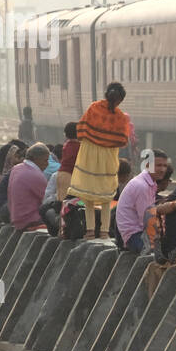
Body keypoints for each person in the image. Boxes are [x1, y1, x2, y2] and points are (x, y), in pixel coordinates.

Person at [68, 83, 130, 239]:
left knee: (88, 194)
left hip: (89, 154)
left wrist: (94, 139)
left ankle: (89, 231)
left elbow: (80, 130)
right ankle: (104, 231)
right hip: (108, 157)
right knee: (107, 195)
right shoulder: (121, 117)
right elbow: (123, 140)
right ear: (120, 100)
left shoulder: (93, 108)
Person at [117, 149, 169, 253]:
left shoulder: (149, 183)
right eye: (158, 165)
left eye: (165, 166)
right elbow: (146, 220)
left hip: (139, 233)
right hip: (135, 236)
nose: (163, 169)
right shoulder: (142, 186)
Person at [8, 143, 52, 231]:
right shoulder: (36, 175)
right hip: (31, 220)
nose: (47, 164)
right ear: (36, 159)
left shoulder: (16, 169)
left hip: (16, 219)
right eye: (45, 160)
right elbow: (47, 200)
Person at [56, 122, 79, 201]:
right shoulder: (77, 146)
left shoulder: (67, 144)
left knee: (61, 199)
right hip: (68, 176)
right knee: (67, 203)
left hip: (61, 174)